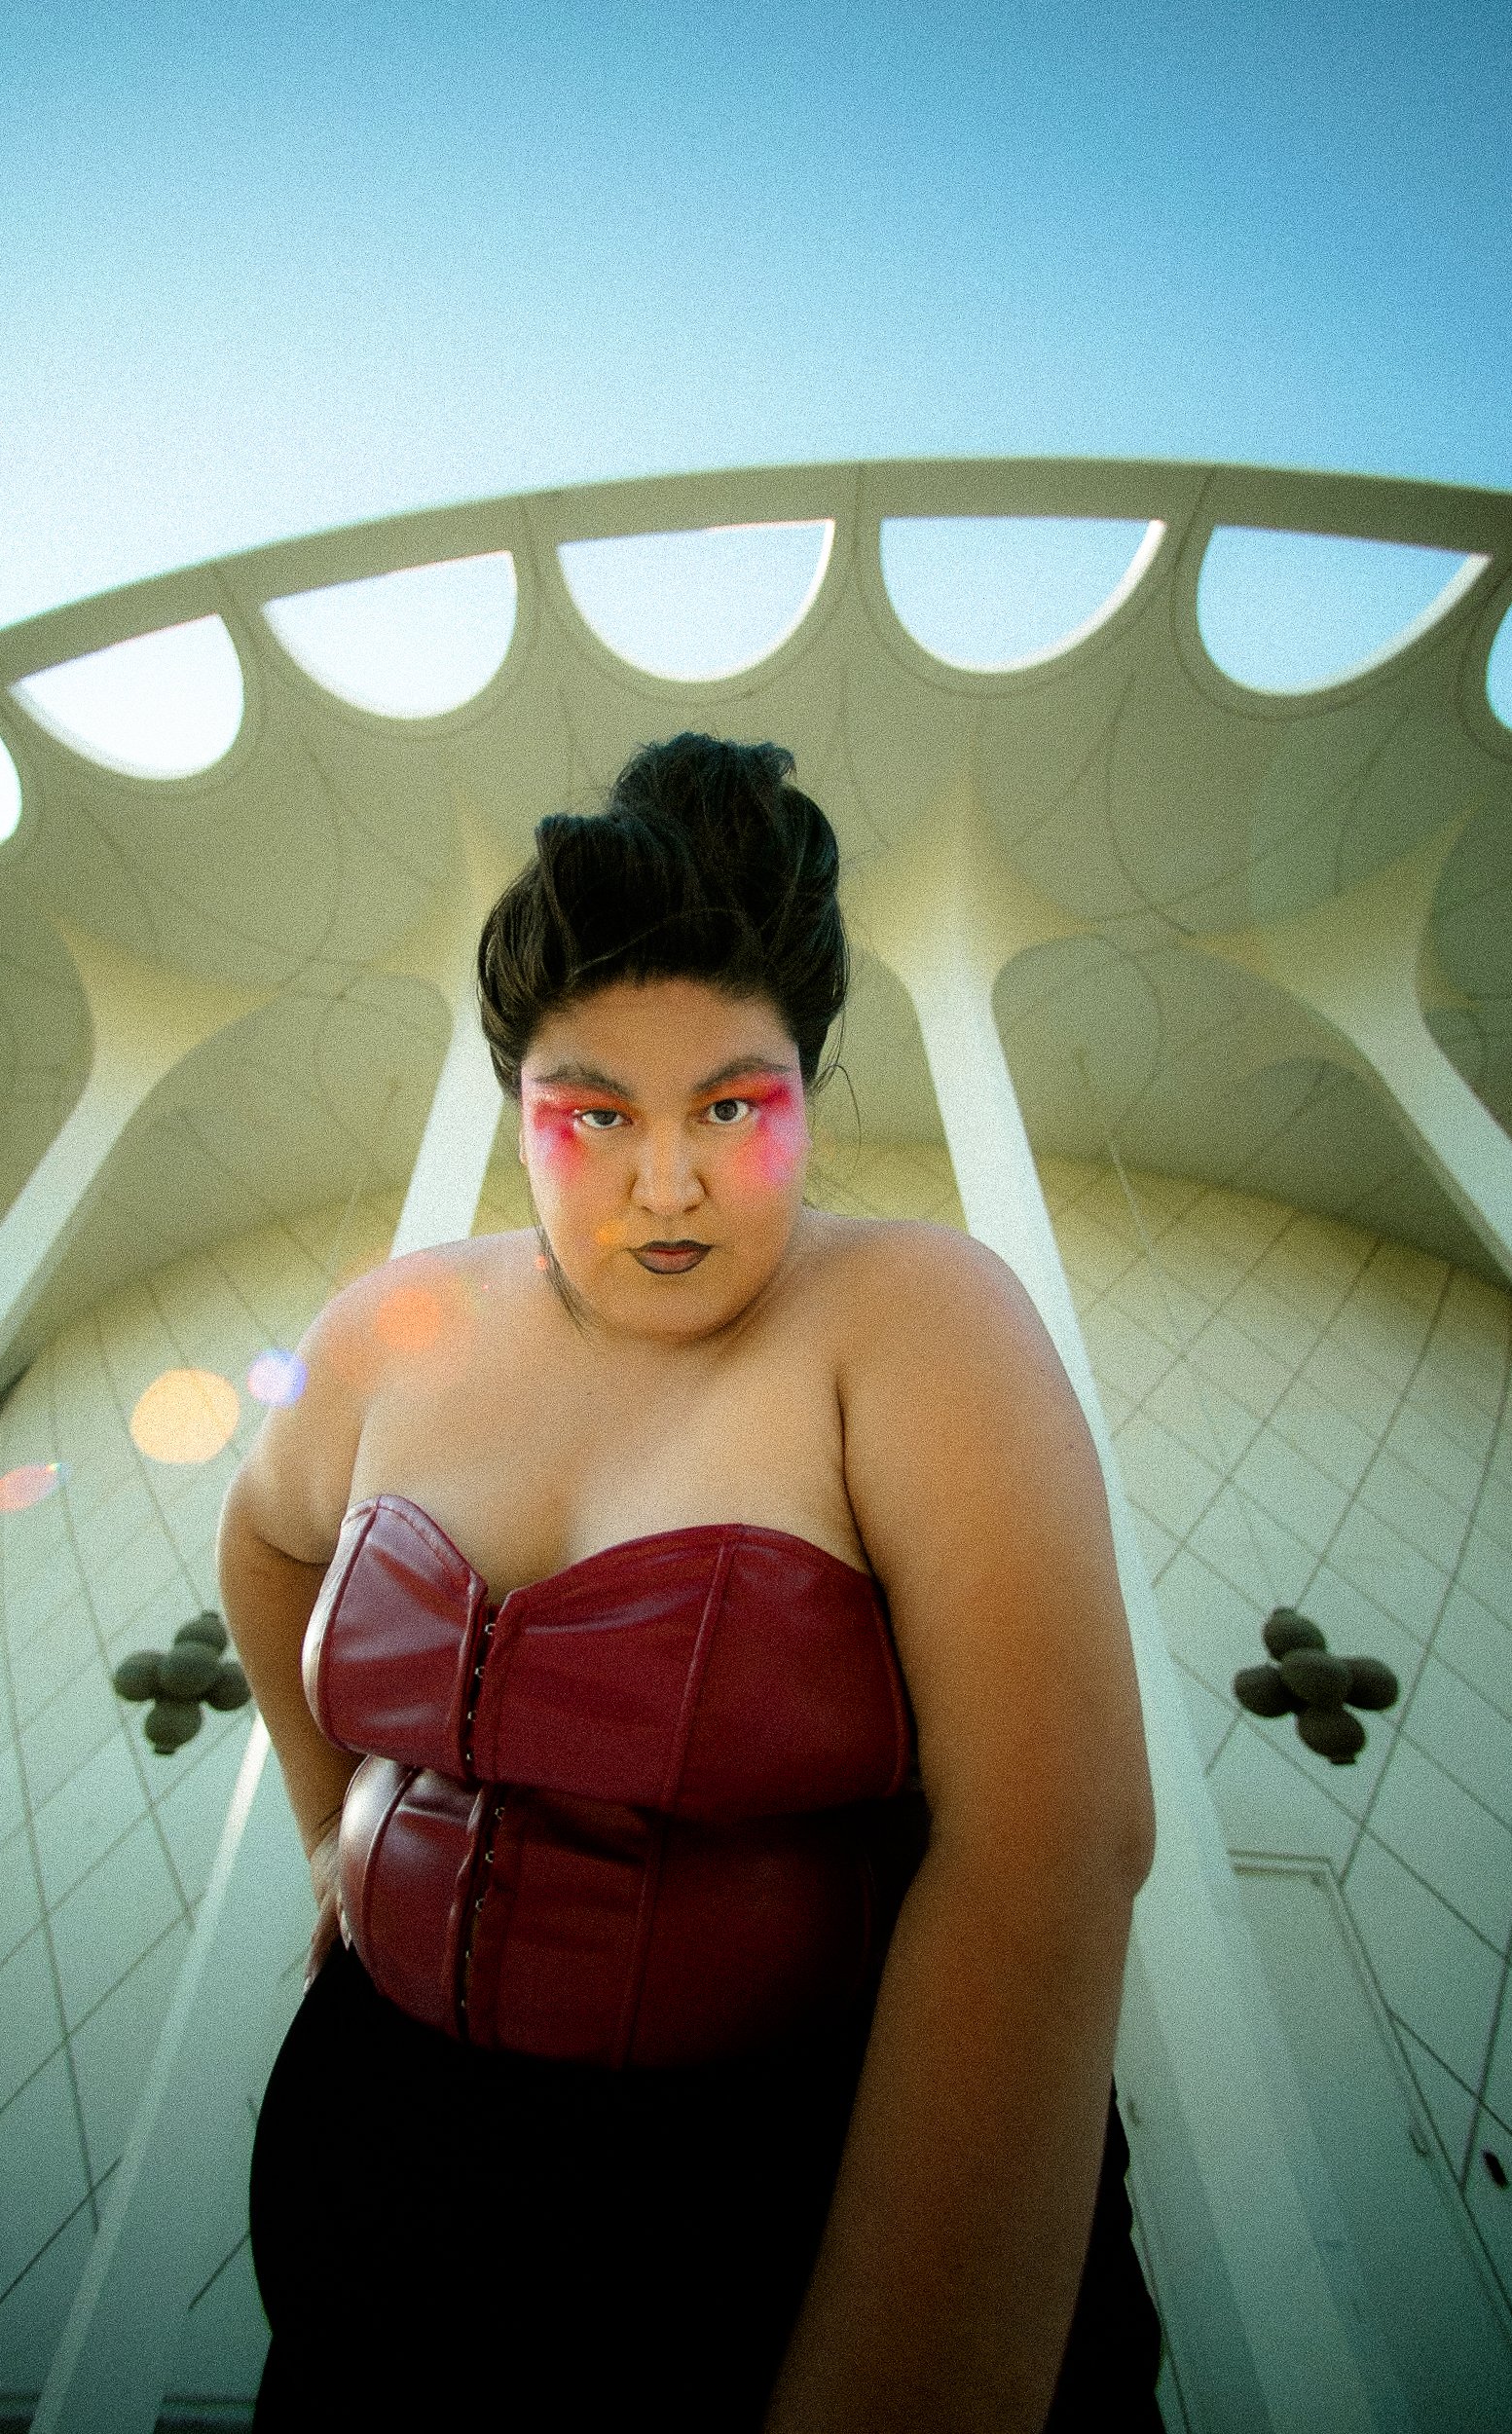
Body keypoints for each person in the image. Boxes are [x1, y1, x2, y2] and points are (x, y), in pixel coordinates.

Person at [218, 731, 1162, 2433]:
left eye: (733, 1103)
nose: (669, 1181)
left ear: (804, 1091)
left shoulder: (918, 1318)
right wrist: (323, 1827)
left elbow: (1052, 1843)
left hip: (782, 2188)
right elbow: (268, 1538)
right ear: (520, 1108)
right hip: (386, 2196)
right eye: (596, 1113)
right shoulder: (391, 1329)